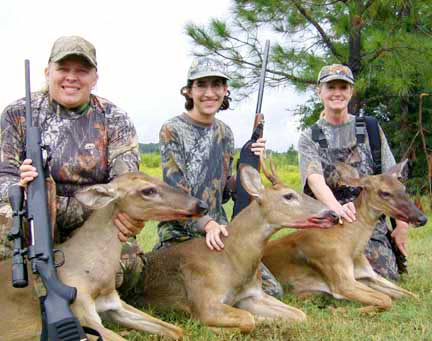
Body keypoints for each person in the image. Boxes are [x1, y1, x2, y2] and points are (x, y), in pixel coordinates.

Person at [0, 35, 144, 287]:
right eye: (63, 69)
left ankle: (68, 289)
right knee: (5, 218)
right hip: (33, 214)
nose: (71, 77)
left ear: (94, 78)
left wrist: (128, 217)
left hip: (91, 219)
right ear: (48, 72)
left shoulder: (115, 119)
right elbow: (3, 175)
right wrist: (19, 186)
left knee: (129, 267)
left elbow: (125, 185)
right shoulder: (17, 114)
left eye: (82, 71)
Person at [154, 57, 284, 298]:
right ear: (189, 91)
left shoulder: (225, 133)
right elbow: (176, 195)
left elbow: (223, 191)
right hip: (182, 235)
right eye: (201, 85)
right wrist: (208, 224)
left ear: (226, 91)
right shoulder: (172, 129)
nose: (209, 93)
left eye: (217, 85)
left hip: (222, 235)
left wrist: (250, 166)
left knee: (271, 290)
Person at [298, 63, 409, 281]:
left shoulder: (370, 128)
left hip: (368, 222)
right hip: (329, 219)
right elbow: (315, 180)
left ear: (351, 91)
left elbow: (391, 179)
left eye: (343, 87)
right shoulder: (310, 136)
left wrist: (402, 224)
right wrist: (337, 209)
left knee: (383, 277)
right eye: (331, 87)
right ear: (319, 91)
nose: (337, 93)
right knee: (333, 274)